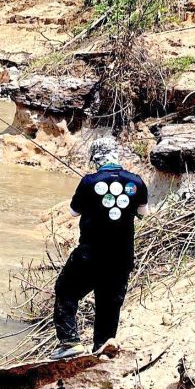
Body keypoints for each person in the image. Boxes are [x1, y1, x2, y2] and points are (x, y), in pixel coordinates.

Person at [51, 138, 149, 359]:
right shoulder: (137, 182)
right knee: (109, 303)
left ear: (95, 158)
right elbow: (143, 213)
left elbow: (73, 212)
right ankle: (103, 347)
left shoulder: (88, 182)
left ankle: (69, 342)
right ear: (116, 155)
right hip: (122, 257)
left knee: (66, 291)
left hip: (90, 254)